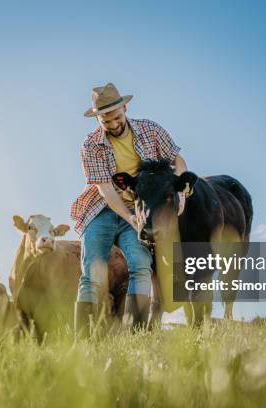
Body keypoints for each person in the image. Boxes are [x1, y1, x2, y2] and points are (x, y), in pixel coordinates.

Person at [70, 82, 187, 335]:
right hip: (101, 209)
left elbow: (177, 160)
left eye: (116, 117)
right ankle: (83, 342)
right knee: (91, 273)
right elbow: (106, 190)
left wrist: (180, 190)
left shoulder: (150, 130)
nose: (113, 124)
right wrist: (129, 217)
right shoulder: (90, 145)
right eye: (105, 121)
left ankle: (136, 337)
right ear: (97, 118)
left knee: (141, 265)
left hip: (138, 209)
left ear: (125, 107)